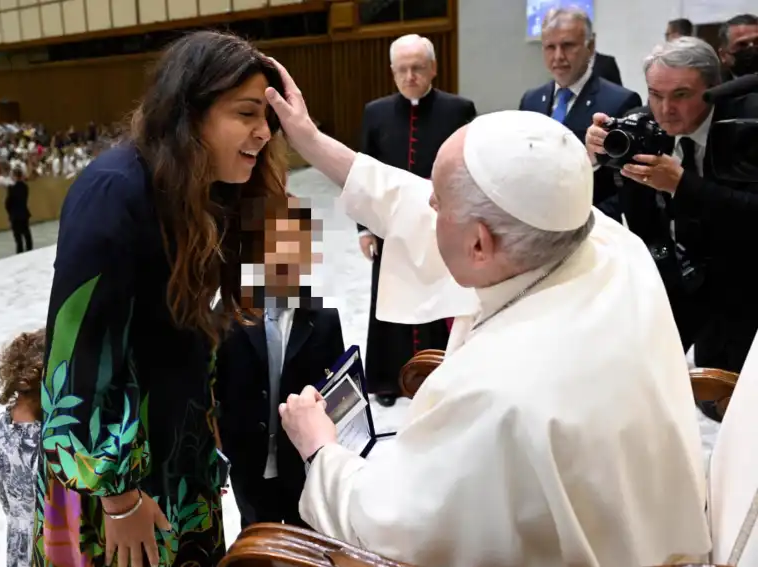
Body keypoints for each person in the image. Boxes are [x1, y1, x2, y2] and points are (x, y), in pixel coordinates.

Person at [265, 60, 711, 566]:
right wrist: (309, 138)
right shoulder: (605, 241)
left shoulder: (494, 395)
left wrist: (322, 452)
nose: (426, 205)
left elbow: (392, 523)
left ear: (478, 244)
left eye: (438, 204)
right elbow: (406, 198)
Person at [32, 32, 288, 567]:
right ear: (188, 112)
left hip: (179, 450)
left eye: (270, 119)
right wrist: (120, 499)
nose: (264, 133)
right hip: (115, 477)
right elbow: (77, 362)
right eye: (246, 114)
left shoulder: (209, 187)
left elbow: (232, 310)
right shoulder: (113, 190)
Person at [586, 37, 758, 380]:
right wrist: (592, 157)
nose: (665, 109)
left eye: (681, 95)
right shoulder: (640, 124)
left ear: (714, 88)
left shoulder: (748, 124)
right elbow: (632, 218)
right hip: (676, 279)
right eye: (655, 94)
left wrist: (682, 185)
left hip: (746, 286)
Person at [358, 33, 476, 406]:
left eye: (418, 68)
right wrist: (364, 228)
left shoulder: (458, 109)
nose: (410, 76)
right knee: (391, 297)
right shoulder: (375, 112)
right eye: (402, 69)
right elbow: (365, 174)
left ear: (433, 69)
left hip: (441, 225)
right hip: (391, 227)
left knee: (441, 297)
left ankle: (443, 372)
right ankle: (389, 380)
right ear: (392, 72)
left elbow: (471, 165)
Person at [215, 201, 345, 528]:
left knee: (310, 538)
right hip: (248, 462)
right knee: (259, 538)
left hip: (302, 463)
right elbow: (213, 392)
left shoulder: (325, 321)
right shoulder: (226, 318)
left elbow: (337, 396)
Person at [520, 8, 641, 222]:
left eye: (567, 46)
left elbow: (627, 186)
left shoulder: (619, 101)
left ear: (590, 46)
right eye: (550, 47)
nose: (558, 56)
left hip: (593, 223)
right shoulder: (531, 100)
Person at [0, 329, 46, 567]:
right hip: (50, 543)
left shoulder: (0, 426)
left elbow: (4, 495)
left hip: (19, 539)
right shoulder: (48, 440)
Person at [717, 14, 758, 80]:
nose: (752, 49)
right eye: (742, 44)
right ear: (723, 55)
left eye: (757, 42)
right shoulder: (714, 88)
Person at [6, 167, 32, 254]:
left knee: (18, 238)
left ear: (15, 176)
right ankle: (30, 250)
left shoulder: (11, 188)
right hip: (24, 213)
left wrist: (9, 213)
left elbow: (8, 203)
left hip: (15, 215)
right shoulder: (25, 187)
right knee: (27, 233)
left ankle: (20, 253)